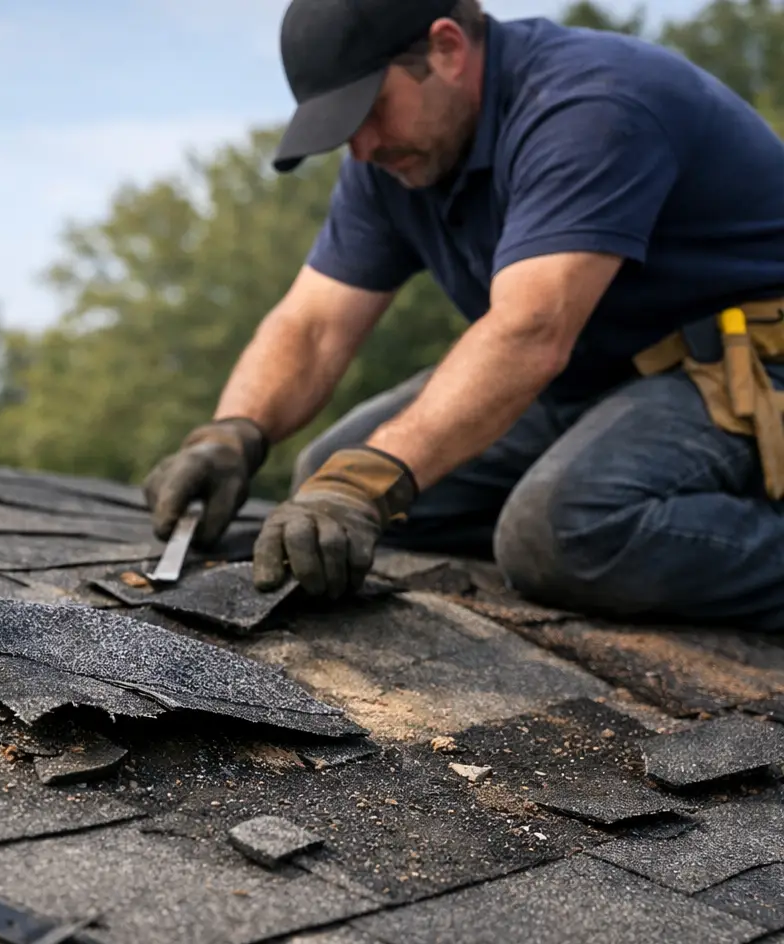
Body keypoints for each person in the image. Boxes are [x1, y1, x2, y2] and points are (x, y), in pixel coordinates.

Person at [143, 0, 784, 632]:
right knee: (327, 480)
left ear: (447, 48)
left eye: (370, 110)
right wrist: (232, 434)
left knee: (560, 531)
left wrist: (368, 481)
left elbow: (530, 331)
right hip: (598, 377)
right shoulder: (392, 161)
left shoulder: (590, 105)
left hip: (745, 367)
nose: (361, 148)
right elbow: (313, 326)